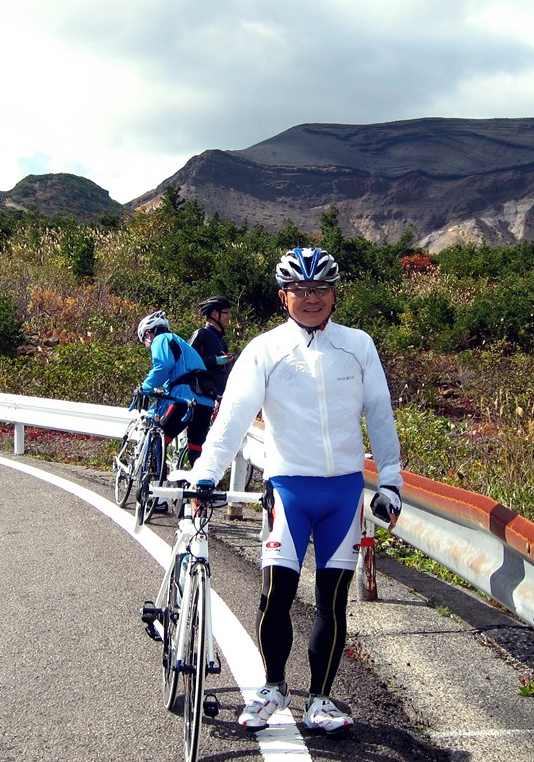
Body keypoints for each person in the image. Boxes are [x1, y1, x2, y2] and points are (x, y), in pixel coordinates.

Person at [182, 247, 404, 737]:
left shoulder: (358, 345)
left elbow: (380, 415)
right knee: (276, 594)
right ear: (283, 296)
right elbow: (234, 417)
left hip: (344, 492)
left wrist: (390, 480)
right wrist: (205, 473)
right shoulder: (264, 349)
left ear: (334, 294)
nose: (311, 299)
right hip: (288, 489)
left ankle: (320, 700)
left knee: (332, 601)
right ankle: (274, 687)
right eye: (300, 290)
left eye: (320, 289)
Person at [135, 312, 216, 490]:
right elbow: (171, 383)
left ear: (148, 334)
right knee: (197, 449)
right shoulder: (180, 345)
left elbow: (163, 366)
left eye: (145, 343)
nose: (148, 347)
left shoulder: (161, 339)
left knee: (159, 439)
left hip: (184, 400)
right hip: (205, 402)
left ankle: (160, 495)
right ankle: (197, 496)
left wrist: (144, 389)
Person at [182, 296, 234, 467]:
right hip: (198, 396)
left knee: (206, 442)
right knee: (197, 442)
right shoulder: (201, 334)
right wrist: (215, 360)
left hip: (214, 397)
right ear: (214, 314)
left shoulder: (221, 340)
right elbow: (188, 364)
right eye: (226, 312)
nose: (229, 316)